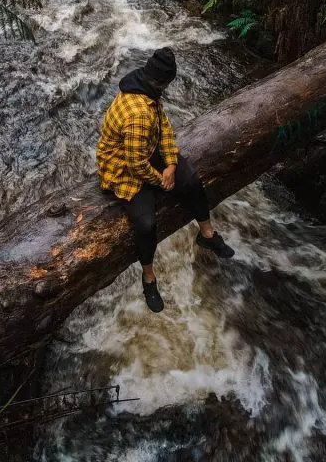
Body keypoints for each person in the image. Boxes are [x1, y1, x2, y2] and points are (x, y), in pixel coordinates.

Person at [96, 47, 234, 312]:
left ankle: (207, 233)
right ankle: (149, 277)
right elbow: (136, 165)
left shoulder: (149, 92)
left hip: (146, 152)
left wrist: (171, 163)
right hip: (124, 169)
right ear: (162, 82)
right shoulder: (137, 112)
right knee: (146, 224)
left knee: (191, 180)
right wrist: (163, 180)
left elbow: (165, 129)